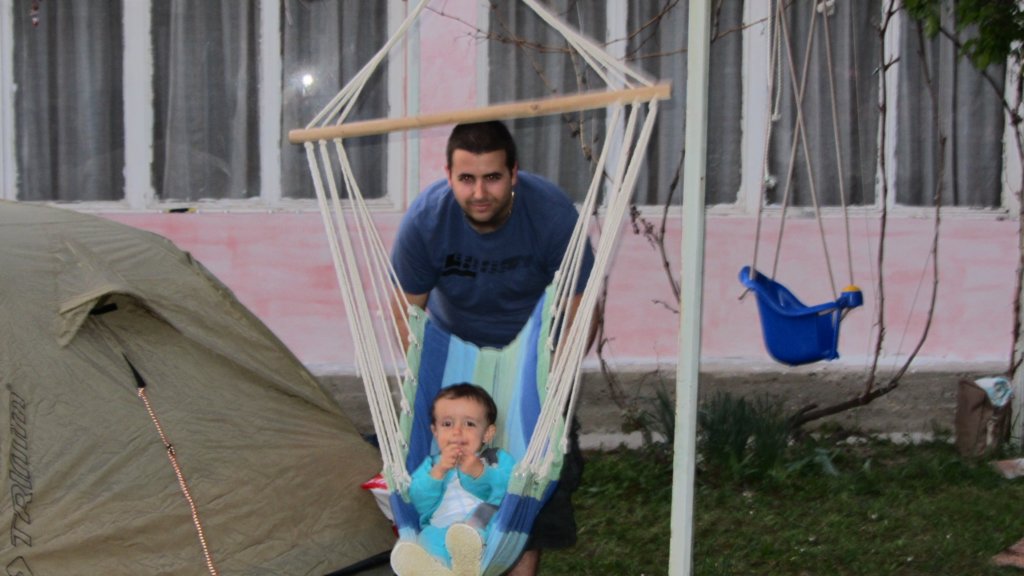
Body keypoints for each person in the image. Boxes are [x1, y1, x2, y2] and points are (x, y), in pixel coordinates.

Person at [390, 120, 593, 576]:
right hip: (453, 357)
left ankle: (511, 556)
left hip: (532, 357)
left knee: (530, 482)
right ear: (448, 175)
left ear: (514, 173)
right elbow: (406, 313)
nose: (479, 192)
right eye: (466, 178)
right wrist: (417, 384)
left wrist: (554, 387)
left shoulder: (551, 215)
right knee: (432, 467)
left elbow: (582, 308)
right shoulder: (427, 221)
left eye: (493, 177)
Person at [404, 383, 514, 570]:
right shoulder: (431, 465)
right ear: (435, 431)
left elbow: (510, 490)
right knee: (426, 541)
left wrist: (480, 472)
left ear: (487, 433)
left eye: (469, 424)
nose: (457, 431)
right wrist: (438, 472)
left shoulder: (496, 459)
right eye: (447, 424)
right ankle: (435, 568)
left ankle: (464, 559)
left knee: (478, 522)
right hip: (439, 527)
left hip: (481, 528)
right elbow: (419, 501)